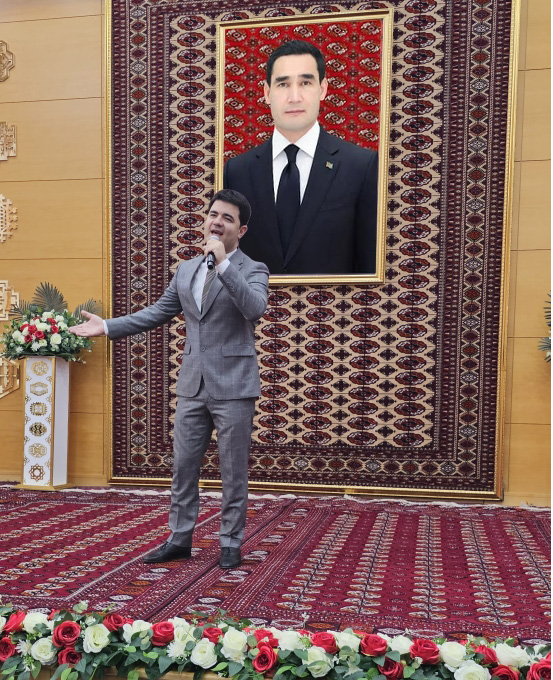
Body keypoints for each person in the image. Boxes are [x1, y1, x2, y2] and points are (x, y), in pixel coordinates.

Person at [70, 189, 269, 569]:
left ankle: (230, 543)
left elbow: (254, 308)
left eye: (227, 218)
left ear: (240, 230)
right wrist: (107, 326)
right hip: (192, 385)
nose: (217, 222)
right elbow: (158, 312)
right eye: (213, 214)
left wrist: (223, 263)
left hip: (234, 386)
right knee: (183, 467)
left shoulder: (253, 268)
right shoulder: (187, 270)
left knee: (233, 471)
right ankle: (179, 539)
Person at [223, 39, 378, 276]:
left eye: (305, 82)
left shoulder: (361, 166)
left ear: (323, 89)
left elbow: (370, 266)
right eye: (283, 84)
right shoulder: (236, 171)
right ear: (267, 93)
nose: (294, 97)